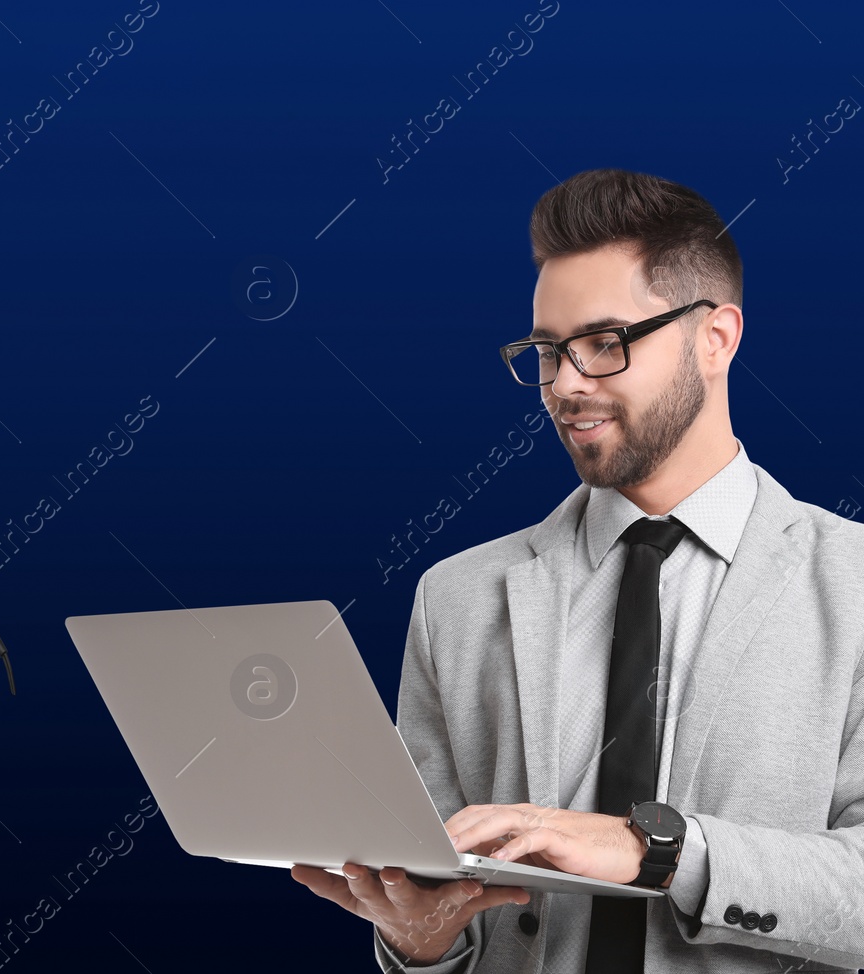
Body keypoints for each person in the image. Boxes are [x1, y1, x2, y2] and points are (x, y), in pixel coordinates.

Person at [290, 168, 864, 972]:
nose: (564, 384)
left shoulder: (854, 584)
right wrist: (420, 941)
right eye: (549, 350)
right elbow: (437, 899)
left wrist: (658, 852)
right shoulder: (457, 599)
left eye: (605, 344)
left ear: (717, 337)